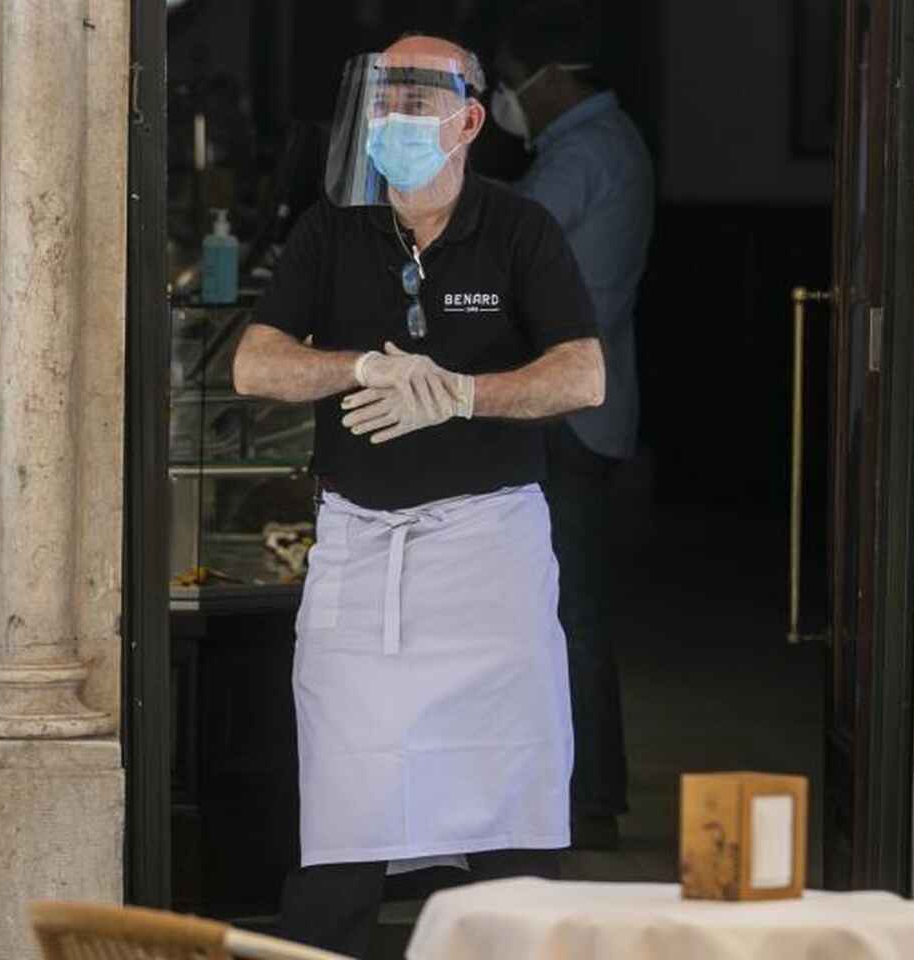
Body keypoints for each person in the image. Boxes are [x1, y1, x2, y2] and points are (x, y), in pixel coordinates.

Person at [232, 33, 604, 958]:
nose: (394, 120)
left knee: (509, 804)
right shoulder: (332, 230)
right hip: (361, 555)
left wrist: (465, 393)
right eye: (384, 101)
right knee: (346, 807)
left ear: (469, 120)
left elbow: (583, 375)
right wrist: (359, 365)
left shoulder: (520, 229)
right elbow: (253, 364)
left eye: (415, 101)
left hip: (489, 559)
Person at [490, 0, 655, 851]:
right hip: (585, 401)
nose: (504, 98)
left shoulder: (584, 152)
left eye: (509, 82)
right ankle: (578, 790)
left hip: (567, 408)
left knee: (570, 611)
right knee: (566, 606)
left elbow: (511, 241)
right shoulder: (594, 145)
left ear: (551, 79)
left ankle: (589, 800)